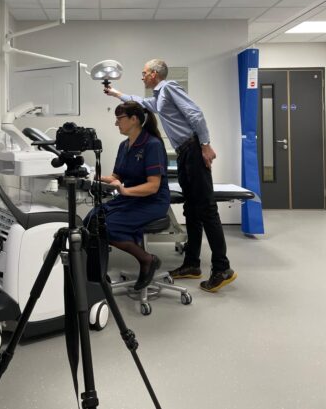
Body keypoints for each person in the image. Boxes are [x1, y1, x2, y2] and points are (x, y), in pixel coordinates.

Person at [104, 59, 237, 293]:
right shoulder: (159, 97)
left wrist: (205, 145)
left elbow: (195, 114)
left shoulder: (169, 87)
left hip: (194, 149)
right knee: (192, 210)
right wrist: (118, 94)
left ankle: (222, 268)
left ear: (155, 74)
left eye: (144, 73)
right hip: (185, 152)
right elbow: (145, 103)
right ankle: (192, 264)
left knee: (206, 208)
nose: (142, 76)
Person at [84, 101, 170, 291]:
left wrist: (124, 190)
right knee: (91, 219)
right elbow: (117, 177)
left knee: (108, 226)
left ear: (134, 119)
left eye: (119, 119)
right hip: (130, 198)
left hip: (151, 201)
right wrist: (95, 177)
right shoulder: (124, 145)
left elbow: (153, 186)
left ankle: (148, 260)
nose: (116, 124)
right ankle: (95, 275)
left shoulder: (152, 144)